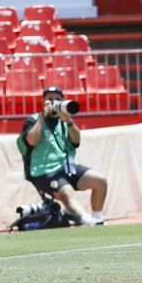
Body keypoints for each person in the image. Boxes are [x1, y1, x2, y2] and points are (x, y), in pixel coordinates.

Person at [18, 85, 108, 225]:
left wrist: (69, 121)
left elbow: (76, 140)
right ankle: (88, 221)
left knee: (100, 180)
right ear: (43, 101)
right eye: (50, 99)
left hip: (65, 167)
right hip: (43, 170)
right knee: (67, 193)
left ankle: (98, 218)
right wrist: (43, 116)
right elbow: (31, 140)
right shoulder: (33, 120)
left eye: (57, 99)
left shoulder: (64, 121)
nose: (54, 102)